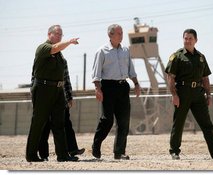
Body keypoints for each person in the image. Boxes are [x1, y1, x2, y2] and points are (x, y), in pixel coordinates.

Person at [165, 29, 213, 160]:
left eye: (190, 38)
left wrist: (209, 95)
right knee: (179, 123)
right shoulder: (177, 56)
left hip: (198, 94)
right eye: (185, 38)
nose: (187, 41)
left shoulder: (201, 57)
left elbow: (205, 77)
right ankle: (174, 151)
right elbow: (170, 77)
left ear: (196, 40)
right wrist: (174, 95)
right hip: (182, 93)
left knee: (207, 124)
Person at [26, 24, 79, 162]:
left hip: (57, 91)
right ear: (49, 34)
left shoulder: (60, 56)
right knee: (39, 122)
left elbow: (64, 75)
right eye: (57, 34)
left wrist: (67, 94)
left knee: (59, 123)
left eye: (61, 35)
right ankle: (31, 154)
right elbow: (55, 48)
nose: (60, 37)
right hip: (43, 89)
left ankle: (62, 155)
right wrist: (69, 42)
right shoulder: (43, 48)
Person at [91, 24, 141, 160]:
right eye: (118, 33)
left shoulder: (125, 50)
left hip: (123, 87)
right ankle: (96, 144)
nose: (121, 35)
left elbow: (131, 70)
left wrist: (136, 83)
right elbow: (96, 73)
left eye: (122, 33)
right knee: (107, 120)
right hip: (108, 87)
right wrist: (97, 88)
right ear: (110, 35)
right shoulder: (102, 51)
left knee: (124, 121)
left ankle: (119, 152)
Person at [36, 58, 85, 161]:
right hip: (47, 98)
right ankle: (43, 155)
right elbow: (36, 79)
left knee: (66, 124)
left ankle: (72, 149)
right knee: (45, 127)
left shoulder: (63, 61)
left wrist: (69, 97)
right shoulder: (43, 59)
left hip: (61, 98)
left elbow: (66, 79)